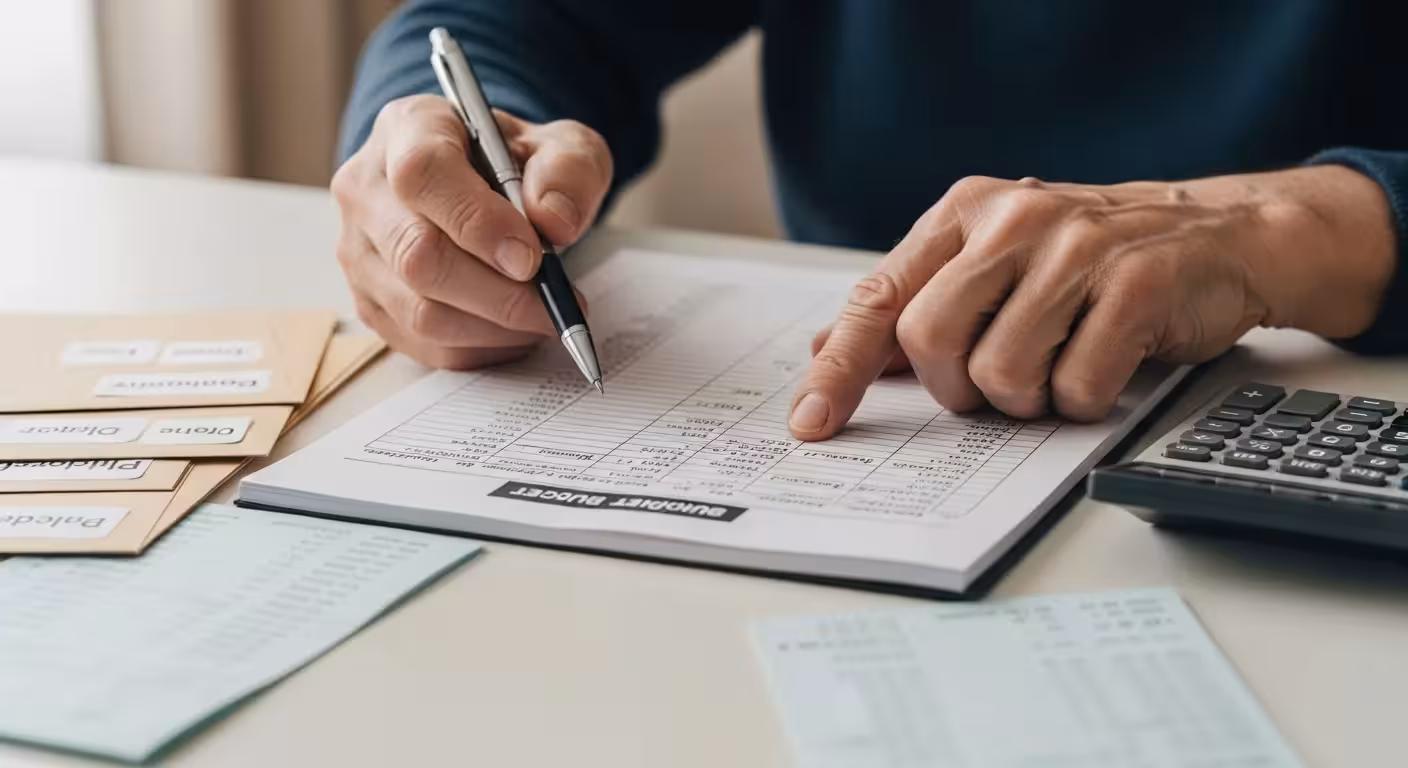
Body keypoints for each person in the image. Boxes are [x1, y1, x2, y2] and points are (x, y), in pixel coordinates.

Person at [332, 2, 1407, 443]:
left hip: (1327, 408)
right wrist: (428, 174)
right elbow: (502, 24)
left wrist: (1293, 227)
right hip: (883, 429)